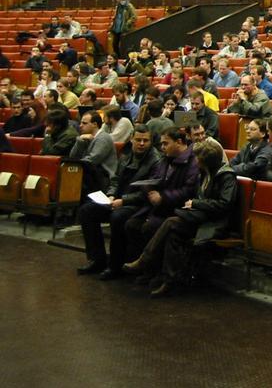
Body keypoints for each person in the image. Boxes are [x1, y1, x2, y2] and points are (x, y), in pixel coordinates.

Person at [124, 139, 237, 297]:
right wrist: (195, 204)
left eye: (198, 158)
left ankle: (145, 261)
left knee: (171, 222)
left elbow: (225, 204)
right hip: (200, 217)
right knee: (173, 234)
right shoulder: (204, 173)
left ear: (206, 161)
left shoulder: (226, 176)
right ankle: (168, 281)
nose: (195, 161)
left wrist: (196, 203)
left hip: (215, 223)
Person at [75, 125, 161, 278]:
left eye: (145, 140)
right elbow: (115, 180)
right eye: (138, 140)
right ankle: (96, 259)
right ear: (131, 139)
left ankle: (115, 265)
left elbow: (148, 192)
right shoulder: (126, 155)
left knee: (117, 217)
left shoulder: (156, 161)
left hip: (138, 205)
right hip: (117, 200)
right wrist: (111, 195)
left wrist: (123, 201)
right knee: (86, 211)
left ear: (151, 141)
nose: (141, 143)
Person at [124, 127, 201, 266]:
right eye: (161, 144)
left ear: (179, 142)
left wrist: (163, 197)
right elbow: (155, 178)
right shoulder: (166, 159)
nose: (162, 147)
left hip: (176, 210)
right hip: (158, 207)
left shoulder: (193, 161)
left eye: (166, 143)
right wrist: (148, 188)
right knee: (131, 224)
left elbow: (188, 191)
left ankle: (150, 269)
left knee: (149, 227)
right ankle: (140, 268)